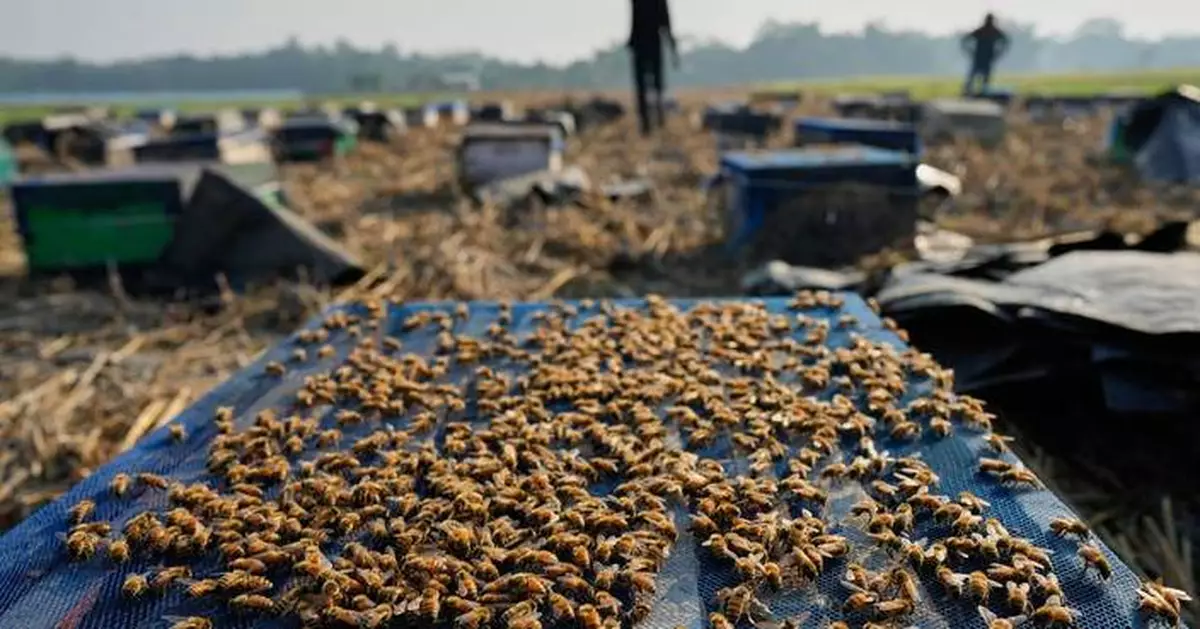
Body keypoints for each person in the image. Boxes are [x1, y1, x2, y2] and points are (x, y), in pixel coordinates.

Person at [628, 0, 680, 136]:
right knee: (654, 85)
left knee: (649, 86)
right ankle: (652, 119)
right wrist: (671, 44)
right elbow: (666, 21)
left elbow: (666, 20)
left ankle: (651, 120)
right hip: (649, 41)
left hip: (644, 41)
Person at [961, 13, 1010, 96]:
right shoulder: (981, 31)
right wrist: (970, 52)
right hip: (979, 58)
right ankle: (968, 92)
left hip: (987, 59)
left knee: (985, 80)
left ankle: (982, 93)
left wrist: (998, 53)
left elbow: (1005, 41)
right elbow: (965, 40)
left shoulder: (994, 32)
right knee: (972, 78)